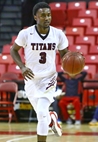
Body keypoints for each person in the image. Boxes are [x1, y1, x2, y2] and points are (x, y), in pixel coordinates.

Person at [10, 2, 69, 142]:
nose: (47, 18)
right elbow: (13, 50)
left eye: (49, 15)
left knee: (42, 113)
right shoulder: (26, 34)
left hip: (49, 78)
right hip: (31, 79)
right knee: (42, 113)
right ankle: (52, 118)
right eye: (43, 15)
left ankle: (48, 121)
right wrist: (22, 67)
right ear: (35, 17)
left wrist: (72, 64)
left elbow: (65, 55)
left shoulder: (58, 34)